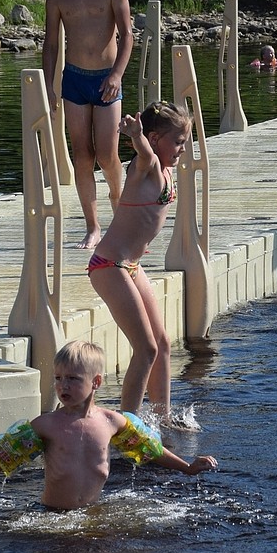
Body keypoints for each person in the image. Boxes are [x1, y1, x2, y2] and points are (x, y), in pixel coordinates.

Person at [0, 340, 217, 514]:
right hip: (50, 516)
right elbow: (0, 459)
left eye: (73, 378)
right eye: (58, 378)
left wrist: (187, 467)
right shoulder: (46, 425)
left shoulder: (111, 422)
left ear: (96, 382)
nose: (63, 386)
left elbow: (151, 450)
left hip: (91, 513)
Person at [87, 102, 190, 425]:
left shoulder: (167, 169)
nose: (182, 150)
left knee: (161, 344)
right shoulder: (143, 165)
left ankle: (163, 417)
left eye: (185, 143)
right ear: (155, 137)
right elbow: (144, 153)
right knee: (145, 349)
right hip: (109, 266)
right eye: (178, 142)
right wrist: (136, 135)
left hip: (130, 265)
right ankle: (126, 425)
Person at [43, 0, 134, 250]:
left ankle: (118, 207)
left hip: (107, 78)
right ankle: (93, 226)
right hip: (75, 79)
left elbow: (127, 36)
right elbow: (51, 43)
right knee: (82, 155)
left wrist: (116, 76)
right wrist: (48, 85)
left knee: (108, 154)